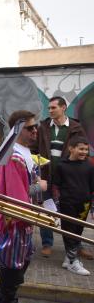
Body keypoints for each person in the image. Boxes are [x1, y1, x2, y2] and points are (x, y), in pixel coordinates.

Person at [0, 110, 44, 303]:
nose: (35, 131)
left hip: (23, 217)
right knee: (14, 261)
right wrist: (37, 187)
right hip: (16, 217)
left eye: (35, 127)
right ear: (19, 129)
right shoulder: (14, 155)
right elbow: (15, 194)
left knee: (22, 259)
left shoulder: (24, 152)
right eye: (30, 128)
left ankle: (2, 300)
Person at [36, 96, 89, 258]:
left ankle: (76, 244)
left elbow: (82, 150)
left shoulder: (76, 127)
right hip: (45, 176)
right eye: (49, 108)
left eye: (53, 108)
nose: (50, 110)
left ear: (63, 107)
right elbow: (34, 149)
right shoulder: (43, 127)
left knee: (72, 214)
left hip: (67, 177)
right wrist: (37, 173)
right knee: (46, 210)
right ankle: (47, 243)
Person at [53, 136, 93, 276]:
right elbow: (56, 185)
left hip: (84, 205)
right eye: (81, 149)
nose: (84, 152)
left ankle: (69, 258)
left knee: (78, 232)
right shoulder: (61, 165)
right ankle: (72, 261)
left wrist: (92, 207)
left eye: (86, 149)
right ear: (71, 148)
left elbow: (92, 186)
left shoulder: (89, 165)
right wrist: (56, 204)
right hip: (67, 204)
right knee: (69, 232)